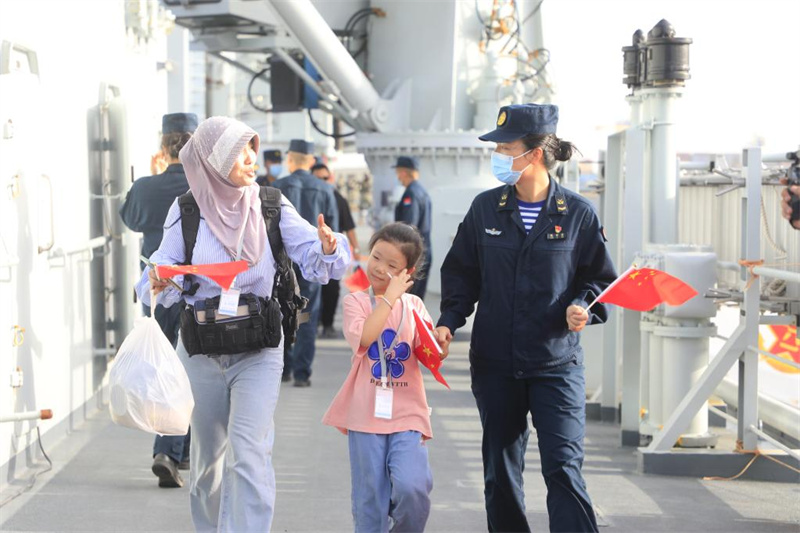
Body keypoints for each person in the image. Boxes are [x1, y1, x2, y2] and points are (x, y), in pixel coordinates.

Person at [135, 116, 350, 532]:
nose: (252, 158)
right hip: (200, 352)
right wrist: (159, 279)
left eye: (253, 147)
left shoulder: (270, 203)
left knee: (250, 454)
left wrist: (329, 245)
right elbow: (153, 279)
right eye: (240, 152)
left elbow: (318, 255)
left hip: (259, 349)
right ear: (214, 161)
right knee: (207, 466)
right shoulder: (186, 211)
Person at [434, 104, 617, 533]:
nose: (496, 154)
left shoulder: (578, 214)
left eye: (505, 147)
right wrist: (448, 321)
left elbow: (599, 280)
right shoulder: (484, 210)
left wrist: (583, 307)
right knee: (500, 473)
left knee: (564, 470)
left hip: (556, 365)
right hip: (496, 363)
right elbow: (462, 274)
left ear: (534, 153)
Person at [322, 222, 437, 533]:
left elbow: (431, 354)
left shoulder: (414, 306)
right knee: (370, 499)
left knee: (412, 488)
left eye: (391, 265)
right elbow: (366, 338)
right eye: (376, 257)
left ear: (407, 272)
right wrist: (387, 299)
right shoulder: (356, 302)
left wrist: (441, 339)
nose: (379, 268)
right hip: (365, 415)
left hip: (408, 413)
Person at [119, 112, 197, 488]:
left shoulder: (147, 187)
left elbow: (129, 219)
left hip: (157, 291)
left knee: (166, 366)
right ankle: (174, 449)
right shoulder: (208, 187)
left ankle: (173, 450)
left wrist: (145, 178)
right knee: (194, 369)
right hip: (201, 291)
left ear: (164, 146)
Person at [274, 140, 339, 387]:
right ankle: (302, 373)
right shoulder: (324, 189)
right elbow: (333, 230)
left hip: (283, 263)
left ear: (290, 159)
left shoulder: (276, 188)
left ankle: (284, 368)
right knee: (306, 315)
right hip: (313, 263)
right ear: (311, 161)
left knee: (281, 312)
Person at [312, 163, 361, 339]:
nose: (322, 182)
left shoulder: (338, 199)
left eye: (325, 178)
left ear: (330, 178)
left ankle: (327, 324)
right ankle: (311, 323)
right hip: (311, 252)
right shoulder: (308, 197)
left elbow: (349, 227)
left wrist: (355, 251)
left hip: (333, 253)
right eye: (318, 178)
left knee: (331, 290)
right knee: (309, 290)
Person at [393, 156, 432, 300]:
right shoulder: (421, 191)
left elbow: (409, 229)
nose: (398, 177)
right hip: (423, 252)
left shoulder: (411, 193)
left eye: (398, 172)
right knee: (416, 299)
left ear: (403, 172)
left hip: (414, 256)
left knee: (408, 300)